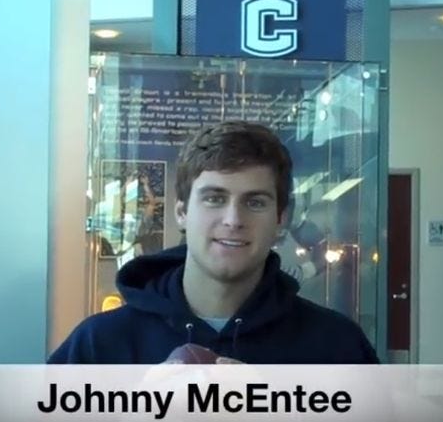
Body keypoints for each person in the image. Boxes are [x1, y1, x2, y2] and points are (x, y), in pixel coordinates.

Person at [48, 121, 378, 364]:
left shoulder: (338, 348)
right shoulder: (99, 346)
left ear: (280, 219)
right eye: (214, 199)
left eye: (255, 202)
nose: (233, 220)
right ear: (181, 212)